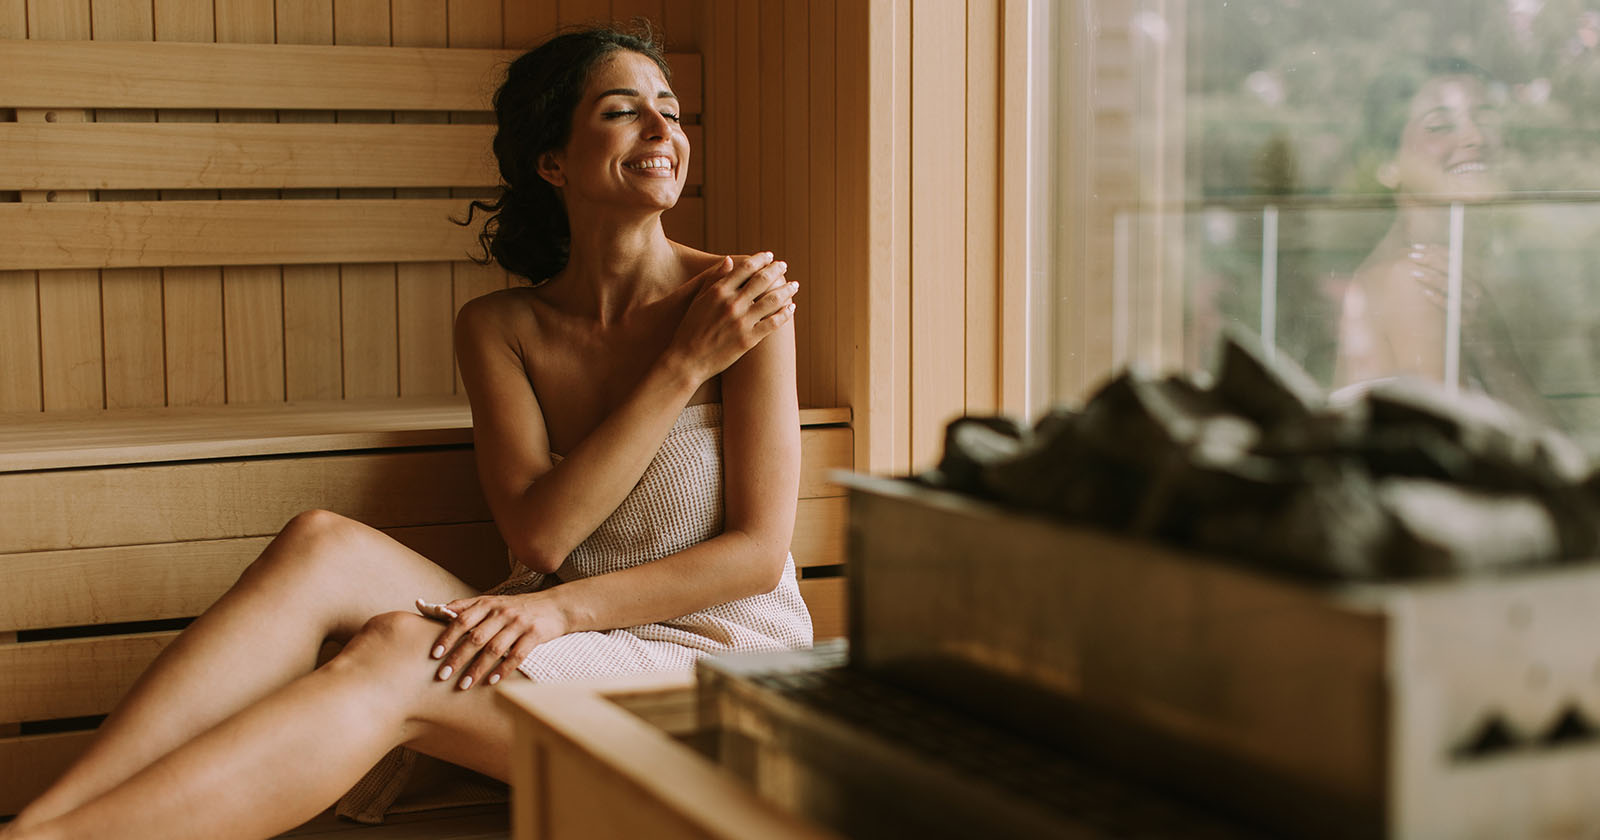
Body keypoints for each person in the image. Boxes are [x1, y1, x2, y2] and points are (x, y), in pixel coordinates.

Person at [2, 25, 809, 840]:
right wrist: (680, 367)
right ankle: (44, 825)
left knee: (400, 647)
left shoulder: (740, 303)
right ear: (552, 161)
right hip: (548, 625)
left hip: (713, 668)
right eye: (622, 110)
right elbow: (541, 536)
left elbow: (755, 551)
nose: (662, 130)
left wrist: (562, 615)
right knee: (320, 544)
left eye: (669, 111)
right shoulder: (505, 326)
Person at [1332, 57, 1550, 418]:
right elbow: (1463, 458)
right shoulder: (1418, 279)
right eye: (1439, 125)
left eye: (1484, 118)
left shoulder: (1447, 277)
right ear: (1389, 162)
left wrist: (1488, 344)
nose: (1475, 138)